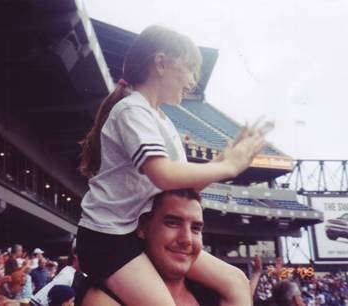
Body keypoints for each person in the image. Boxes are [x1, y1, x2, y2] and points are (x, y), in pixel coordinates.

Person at [77, 25, 267, 306]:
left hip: (132, 232)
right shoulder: (132, 109)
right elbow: (163, 174)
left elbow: (180, 187)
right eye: (189, 68)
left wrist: (223, 160)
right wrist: (228, 167)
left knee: (236, 280)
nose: (192, 80)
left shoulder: (161, 119)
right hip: (107, 241)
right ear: (161, 63)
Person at [82, 189, 219, 306]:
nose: (187, 240)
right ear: (142, 227)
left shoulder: (216, 293)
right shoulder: (103, 295)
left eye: (195, 228)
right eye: (172, 223)